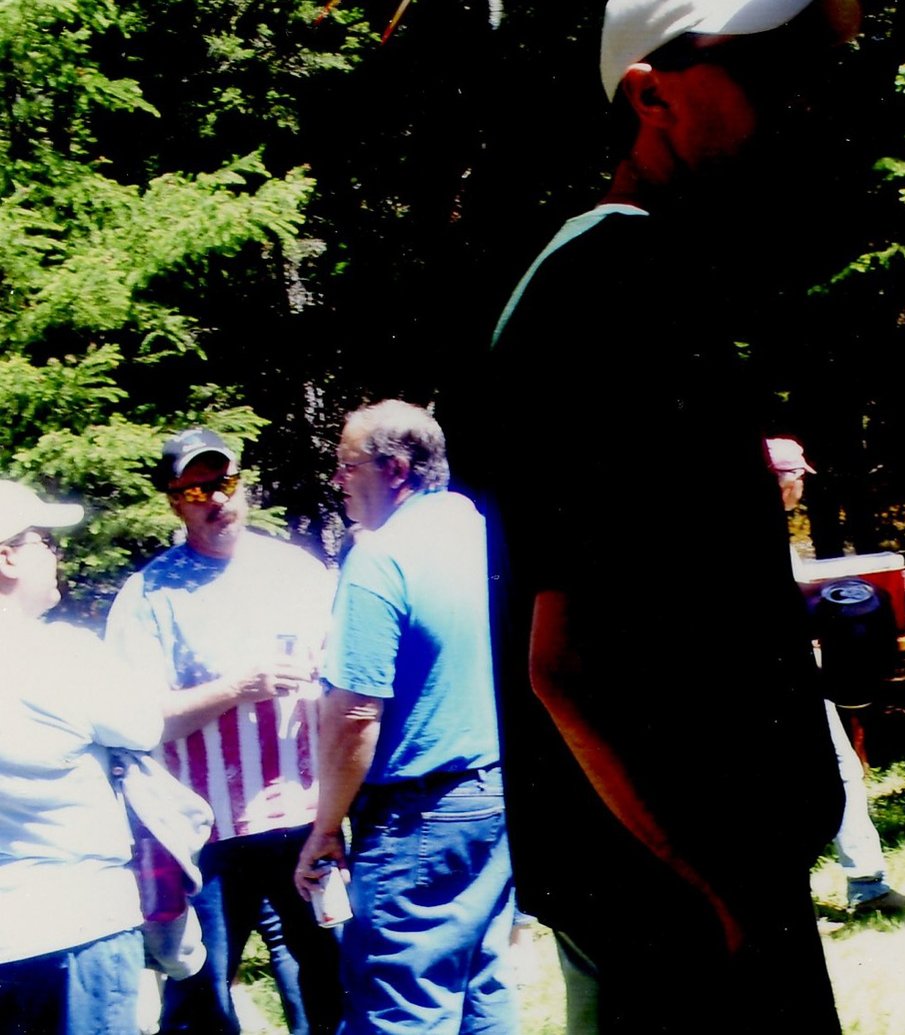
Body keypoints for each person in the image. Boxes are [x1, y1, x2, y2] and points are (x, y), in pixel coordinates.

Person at [471, 2, 858, 1030]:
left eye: (813, 70)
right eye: (768, 71)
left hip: (690, 899)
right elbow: (565, 666)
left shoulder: (639, 274)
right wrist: (725, 899)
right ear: (651, 96)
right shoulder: (614, 284)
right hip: (681, 921)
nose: (802, 100)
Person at [104, 429, 342, 1035]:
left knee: (327, 989)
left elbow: (349, 681)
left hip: (303, 822)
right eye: (197, 490)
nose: (216, 499)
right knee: (200, 1002)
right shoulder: (149, 593)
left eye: (225, 483)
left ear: (243, 485)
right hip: (203, 832)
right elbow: (139, 720)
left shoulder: (300, 572)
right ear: (174, 503)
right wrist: (238, 687)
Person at [292, 400, 515, 1034]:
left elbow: (356, 711)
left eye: (348, 466)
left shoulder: (380, 558)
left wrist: (325, 827)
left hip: (418, 815)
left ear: (395, 469)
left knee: (401, 1003)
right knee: (482, 983)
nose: (338, 480)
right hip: (494, 797)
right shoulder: (481, 531)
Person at [0, 482, 164, 1035]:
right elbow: (144, 726)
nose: (56, 555)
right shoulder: (64, 654)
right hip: (85, 920)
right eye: (45, 542)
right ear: (7, 558)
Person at [767, 437, 905, 917]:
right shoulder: (765, 536)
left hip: (784, 675)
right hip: (788, 680)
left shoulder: (763, 533)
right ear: (786, 480)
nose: (802, 488)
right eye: (799, 477)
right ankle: (867, 886)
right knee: (839, 770)